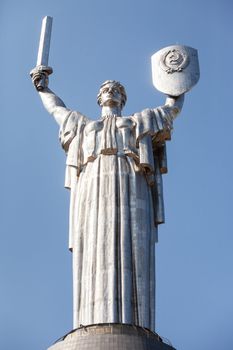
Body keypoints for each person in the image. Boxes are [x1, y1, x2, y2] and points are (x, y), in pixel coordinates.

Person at [31, 67, 184, 331]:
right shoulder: (84, 126)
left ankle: (135, 324)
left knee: (133, 240)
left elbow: (170, 110)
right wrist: (44, 89)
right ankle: (90, 321)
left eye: (117, 90)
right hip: (93, 185)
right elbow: (57, 110)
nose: (111, 91)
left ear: (123, 100)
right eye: (106, 89)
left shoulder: (137, 122)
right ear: (99, 98)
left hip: (131, 180)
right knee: (93, 241)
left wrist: (178, 81)